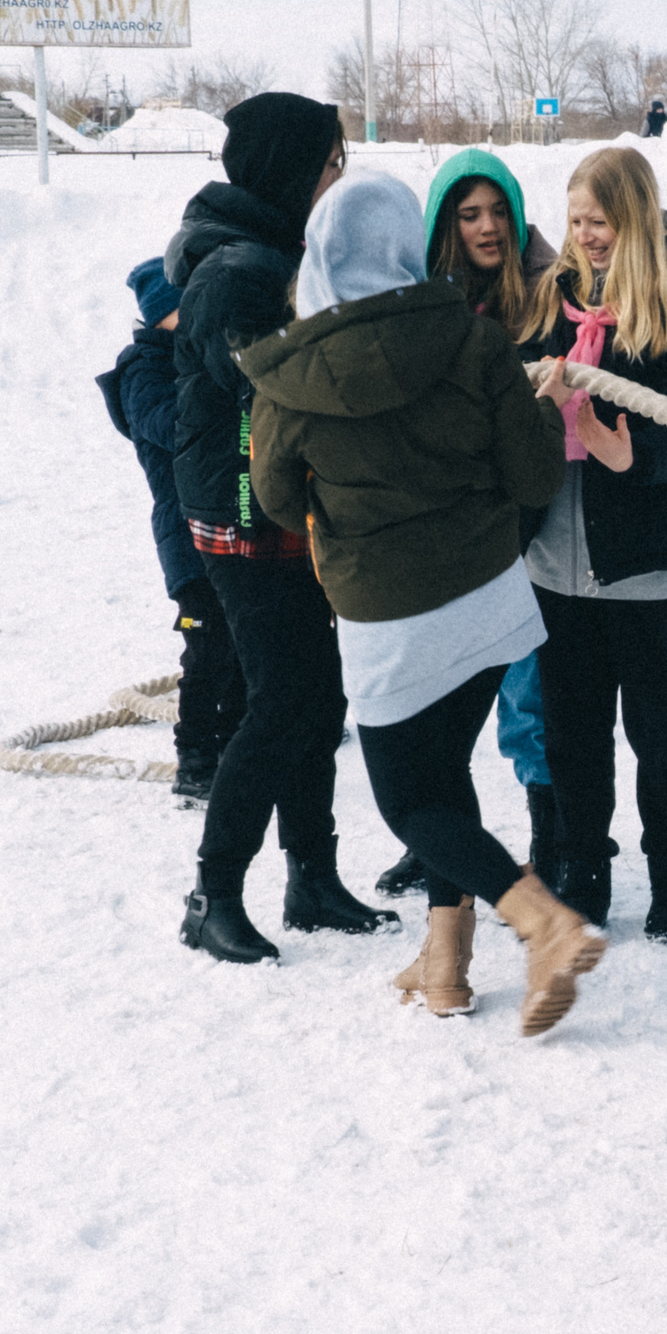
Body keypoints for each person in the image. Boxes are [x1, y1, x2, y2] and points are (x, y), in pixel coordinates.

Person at [238, 172, 605, 1036]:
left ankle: (540, 920)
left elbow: (274, 498)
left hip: (388, 616)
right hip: (487, 601)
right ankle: (446, 966)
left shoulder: (292, 373)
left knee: (409, 801)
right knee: (443, 779)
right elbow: (532, 477)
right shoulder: (473, 342)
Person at [166, 91, 396, 963]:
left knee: (317, 697)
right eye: (330, 163)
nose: (338, 178)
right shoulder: (239, 273)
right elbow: (284, 387)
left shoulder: (276, 253)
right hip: (242, 523)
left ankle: (311, 878)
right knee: (282, 703)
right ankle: (212, 892)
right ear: (292, 171)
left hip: (288, 519)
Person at [519, 146, 667, 942]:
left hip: (642, 558)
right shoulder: (549, 299)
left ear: (634, 217)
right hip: (557, 558)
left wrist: (629, 452)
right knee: (571, 730)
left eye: (599, 220)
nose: (585, 235)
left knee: (656, 728)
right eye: (574, 220)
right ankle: (583, 869)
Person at [375, 148, 564, 902]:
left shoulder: (547, 295)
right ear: (446, 224)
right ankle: (443, 846)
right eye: (470, 213)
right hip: (446, 534)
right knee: (439, 707)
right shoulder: (422, 301)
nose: (488, 227)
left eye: (498, 211)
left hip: (529, 524)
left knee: (527, 696)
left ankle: (550, 846)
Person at [96, 255, 243, 800]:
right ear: (163, 315)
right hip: (184, 532)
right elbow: (164, 424)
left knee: (244, 636)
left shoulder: (198, 357)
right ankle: (196, 755)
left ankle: (241, 736)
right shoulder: (144, 369)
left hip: (227, 521)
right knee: (206, 645)